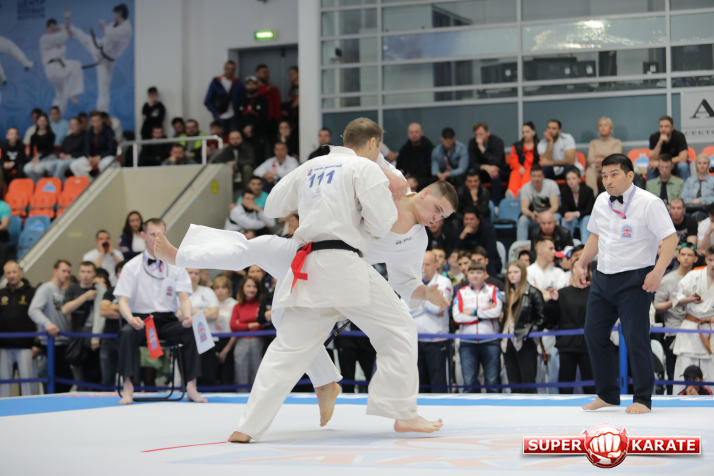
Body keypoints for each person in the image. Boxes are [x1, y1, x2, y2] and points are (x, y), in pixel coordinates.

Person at [162, 118, 451, 441]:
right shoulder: (372, 170)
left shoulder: (312, 166)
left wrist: (315, 196)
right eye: (437, 209)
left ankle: (248, 426)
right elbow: (381, 222)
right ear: (373, 144)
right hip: (341, 263)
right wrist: (380, 187)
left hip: (307, 260)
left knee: (287, 344)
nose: (436, 219)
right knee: (399, 327)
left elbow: (272, 206)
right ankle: (401, 412)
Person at [574, 153, 677, 414]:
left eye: (614, 174)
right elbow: (596, 235)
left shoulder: (649, 203)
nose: (608, 180)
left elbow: (671, 238)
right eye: (604, 175)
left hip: (635, 279)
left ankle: (642, 398)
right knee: (593, 334)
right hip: (603, 277)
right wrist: (581, 262)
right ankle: (607, 394)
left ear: (630, 175)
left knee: (635, 338)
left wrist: (658, 271)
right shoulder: (601, 200)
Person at [113, 218, 205, 405]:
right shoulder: (131, 266)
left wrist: (187, 316)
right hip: (141, 321)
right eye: (153, 234)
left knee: (191, 330)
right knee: (126, 333)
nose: (158, 238)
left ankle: (191, 386)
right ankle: (128, 386)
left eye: (161, 234)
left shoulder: (175, 265)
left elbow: (184, 297)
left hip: (167, 320)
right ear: (142, 236)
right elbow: (123, 301)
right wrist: (130, 319)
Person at [65, 5, 132, 112]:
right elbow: (108, 34)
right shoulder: (115, 24)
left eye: (115, 13)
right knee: (82, 36)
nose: (113, 16)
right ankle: (69, 23)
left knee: (104, 86)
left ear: (119, 13)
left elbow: (108, 33)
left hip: (106, 60)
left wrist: (103, 25)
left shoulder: (126, 29)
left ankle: (102, 113)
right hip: (99, 48)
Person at [670, 245, 714, 395]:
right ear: (706, 259)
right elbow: (676, 297)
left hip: (710, 329)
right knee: (685, 368)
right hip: (691, 327)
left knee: (711, 371)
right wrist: (689, 299)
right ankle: (679, 400)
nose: (713, 264)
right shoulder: (693, 276)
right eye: (710, 260)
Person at [453, 261, 503, 393]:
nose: (475, 275)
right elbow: (457, 317)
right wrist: (483, 314)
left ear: (485, 274)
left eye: (479, 272)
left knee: (492, 382)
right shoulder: (461, 292)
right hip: (467, 342)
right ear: (467, 275)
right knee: (469, 383)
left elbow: (496, 312)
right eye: (472, 272)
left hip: (490, 341)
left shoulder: (493, 289)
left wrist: (472, 312)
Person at [654, 242, 696, 394]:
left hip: (697, 330)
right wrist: (676, 301)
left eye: (689, 255)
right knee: (673, 373)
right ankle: (672, 399)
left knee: (696, 372)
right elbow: (656, 307)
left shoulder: (701, 278)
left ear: (695, 258)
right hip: (674, 331)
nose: (686, 258)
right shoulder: (667, 280)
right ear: (677, 257)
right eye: (683, 254)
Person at [28, 260, 73, 393]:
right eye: (63, 271)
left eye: (68, 272)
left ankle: (56, 399)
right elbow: (33, 310)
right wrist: (48, 324)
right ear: (55, 271)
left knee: (62, 377)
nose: (66, 274)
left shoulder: (64, 291)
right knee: (66, 377)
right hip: (52, 341)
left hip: (64, 340)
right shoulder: (46, 288)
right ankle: (54, 400)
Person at [411, 251, 453, 393]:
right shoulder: (413, 283)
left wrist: (420, 299)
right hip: (416, 341)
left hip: (437, 342)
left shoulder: (444, 282)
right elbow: (405, 309)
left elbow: (436, 308)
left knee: (438, 384)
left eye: (427, 264)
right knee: (419, 386)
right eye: (421, 263)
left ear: (436, 264)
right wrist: (428, 297)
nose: (423, 267)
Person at [501, 260, 545, 393]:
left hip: (525, 340)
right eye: (509, 272)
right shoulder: (507, 293)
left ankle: (531, 407)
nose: (512, 275)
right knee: (513, 381)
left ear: (523, 273)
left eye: (516, 272)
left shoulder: (533, 292)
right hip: (507, 340)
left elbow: (543, 318)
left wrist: (529, 333)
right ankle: (515, 407)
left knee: (528, 381)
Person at [555, 264, 595, 395]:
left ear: (588, 271)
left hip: (588, 344)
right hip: (567, 344)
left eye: (584, 267)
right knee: (565, 385)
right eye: (577, 267)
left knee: (590, 385)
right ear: (572, 270)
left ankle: (594, 405)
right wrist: (553, 301)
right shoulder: (562, 293)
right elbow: (552, 318)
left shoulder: (594, 292)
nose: (580, 271)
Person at [0, 261, 38, 398]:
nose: (12, 275)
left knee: (28, 384)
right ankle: (3, 409)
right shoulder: (1, 293)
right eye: (8, 272)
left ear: (21, 272)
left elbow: (38, 319)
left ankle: (31, 409)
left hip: (26, 346)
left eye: (14, 272)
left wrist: (37, 343)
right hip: (4, 346)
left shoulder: (33, 293)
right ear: (5, 275)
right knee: (3, 385)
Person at [61, 261, 100, 386]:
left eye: (89, 272)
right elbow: (65, 310)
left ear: (94, 274)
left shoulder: (98, 289)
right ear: (79, 273)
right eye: (83, 271)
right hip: (77, 337)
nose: (85, 275)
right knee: (79, 377)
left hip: (94, 337)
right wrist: (84, 297)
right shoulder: (73, 288)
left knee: (95, 374)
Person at [200, 276, 237, 388]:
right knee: (209, 374)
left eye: (223, 287)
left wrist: (226, 350)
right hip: (211, 340)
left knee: (226, 376)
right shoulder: (209, 304)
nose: (220, 291)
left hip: (228, 341)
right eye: (217, 287)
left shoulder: (235, 304)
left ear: (229, 289)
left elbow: (237, 329)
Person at [40, 17, 82, 116]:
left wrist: (62, 25)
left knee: (62, 95)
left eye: (55, 29)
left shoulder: (59, 43)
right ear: (46, 28)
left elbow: (68, 32)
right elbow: (66, 34)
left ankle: (54, 119)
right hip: (52, 67)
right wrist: (61, 26)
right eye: (51, 29)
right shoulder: (45, 39)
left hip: (58, 69)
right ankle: (73, 93)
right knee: (76, 65)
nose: (53, 31)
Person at [230, 276, 263, 392]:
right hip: (241, 342)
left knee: (258, 373)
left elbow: (261, 325)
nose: (251, 289)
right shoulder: (237, 306)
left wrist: (242, 325)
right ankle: (241, 397)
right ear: (242, 288)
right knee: (241, 373)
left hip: (258, 341)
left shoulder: (260, 305)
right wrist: (250, 325)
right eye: (248, 286)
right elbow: (233, 326)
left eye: (254, 286)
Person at [96, 259, 126, 387]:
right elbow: (103, 311)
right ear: (116, 274)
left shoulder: (136, 291)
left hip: (128, 338)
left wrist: (113, 306)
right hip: (109, 338)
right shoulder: (111, 291)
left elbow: (137, 313)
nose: (122, 274)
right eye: (119, 271)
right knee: (107, 378)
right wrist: (126, 311)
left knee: (131, 377)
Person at [453, 207, 501, 277]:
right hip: (468, 260)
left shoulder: (488, 229)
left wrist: (476, 259)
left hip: (487, 259)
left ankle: (491, 283)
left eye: (472, 219)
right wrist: (463, 236)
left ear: (478, 221)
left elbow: (491, 252)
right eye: (466, 219)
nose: (469, 222)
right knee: (458, 262)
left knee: (489, 264)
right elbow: (457, 252)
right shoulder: (460, 231)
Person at [518, 164, 561, 241]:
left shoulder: (552, 185)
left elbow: (555, 206)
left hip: (549, 215)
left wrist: (544, 216)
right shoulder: (525, 188)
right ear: (530, 177)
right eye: (534, 176)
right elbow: (524, 209)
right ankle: (521, 245)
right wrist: (532, 214)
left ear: (543, 176)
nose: (536, 179)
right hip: (535, 217)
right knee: (523, 219)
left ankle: (557, 242)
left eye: (539, 176)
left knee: (556, 217)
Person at [468, 122, 508, 204]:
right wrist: (486, 167)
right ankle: (472, 204)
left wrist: (482, 149)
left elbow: (496, 162)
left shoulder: (497, 142)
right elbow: (472, 163)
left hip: (499, 170)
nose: (478, 137)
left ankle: (496, 205)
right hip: (482, 171)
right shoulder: (472, 143)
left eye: (481, 134)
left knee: (494, 174)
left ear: (488, 133)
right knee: (470, 175)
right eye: (476, 135)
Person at [71, 110, 116, 178]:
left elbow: (112, 149)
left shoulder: (108, 131)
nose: (96, 123)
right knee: (75, 165)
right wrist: (89, 157)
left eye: (98, 120)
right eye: (94, 121)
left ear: (101, 120)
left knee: (105, 164)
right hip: (91, 158)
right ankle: (89, 182)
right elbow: (85, 147)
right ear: (91, 122)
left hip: (105, 157)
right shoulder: (89, 133)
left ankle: (102, 182)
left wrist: (100, 157)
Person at [204, 61, 245, 134]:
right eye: (228, 69)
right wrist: (216, 112)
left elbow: (243, 100)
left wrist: (239, 113)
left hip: (234, 116)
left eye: (232, 69)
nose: (230, 71)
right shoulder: (216, 82)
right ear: (224, 68)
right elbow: (207, 101)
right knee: (219, 137)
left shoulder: (238, 83)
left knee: (234, 136)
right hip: (219, 116)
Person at [236, 76, 269, 163]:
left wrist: (251, 127)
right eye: (249, 84)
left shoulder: (262, 100)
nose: (251, 86)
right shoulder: (241, 101)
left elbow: (264, 116)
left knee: (259, 157)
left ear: (256, 85)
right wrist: (244, 128)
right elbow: (237, 118)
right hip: (243, 134)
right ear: (245, 86)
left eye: (253, 84)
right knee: (244, 156)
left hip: (258, 133)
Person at [586, 117, 622, 195]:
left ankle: (613, 195)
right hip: (596, 168)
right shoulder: (593, 143)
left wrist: (601, 161)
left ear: (611, 128)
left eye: (605, 125)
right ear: (598, 129)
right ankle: (592, 196)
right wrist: (596, 162)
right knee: (589, 171)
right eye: (600, 125)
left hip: (611, 168)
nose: (603, 128)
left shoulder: (616, 142)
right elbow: (590, 158)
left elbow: (615, 157)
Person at [648, 115, 690, 180]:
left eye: (666, 126)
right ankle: (651, 187)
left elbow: (683, 158)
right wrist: (659, 142)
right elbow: (652, 159)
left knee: (683, 166)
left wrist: (664, 162)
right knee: (650, 168)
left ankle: (685, 186)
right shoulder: (654, 137)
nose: (663, 129)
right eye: (661, 126)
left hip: (675, 165)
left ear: (672, 128)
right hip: (661, 167)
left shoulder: (679, 136)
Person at [559, 168, 595, 242]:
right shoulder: (564, 191)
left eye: (573, 178)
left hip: (584, 216)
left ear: (579, 179)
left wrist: (575, 214)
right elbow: (564, 209)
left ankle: (585, 245)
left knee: (587, 219)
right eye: (568, 179)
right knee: (565, 219)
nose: (571, 181)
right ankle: (567, 244)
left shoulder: (588, 190)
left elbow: (590, 210)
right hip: (572, 218)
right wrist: (567, 214)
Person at [397, 123, 434, 191]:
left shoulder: (429, 148)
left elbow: (430, 168)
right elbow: (399, 166)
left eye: (416, 132)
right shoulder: (404, 149)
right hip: (406, 178)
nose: (414, 135)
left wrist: (415, 178)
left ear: (421, 132)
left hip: (424, 179)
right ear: (408, 134)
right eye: (411, 132)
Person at [507, 121, 538, 198]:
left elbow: (542, 159)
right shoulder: (516, 146)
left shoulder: (539, 145)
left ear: (533, 132)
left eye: (527, 132)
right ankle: (512, 193)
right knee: (515, 172)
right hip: (520, 169)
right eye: (523, 132)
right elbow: (513, 160)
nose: (525, 134)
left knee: (529, 172)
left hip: (532, 169)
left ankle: (523, 192)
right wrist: (519, 167)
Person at [23, 113, 57, 183]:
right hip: (38, 156)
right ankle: (37, 183)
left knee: (38, 169)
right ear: (37, 122)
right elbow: (31, 151)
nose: (42, 123)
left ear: (47, 122)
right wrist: (32, 158)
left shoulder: (51, 135)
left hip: (48, 156)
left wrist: (39, 159)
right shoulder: (33, 136)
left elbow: (49, 150)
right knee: (27, 168)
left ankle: (42, 184)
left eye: (44, 121)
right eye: (40, 121)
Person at [682, 153, 714, 221]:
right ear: (696, 165)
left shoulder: (713, 180)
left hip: (708, 211)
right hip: (690, 209)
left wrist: (700, 200)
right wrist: (693, 202)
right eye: (699, 163)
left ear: (708, 165)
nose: (702, 165)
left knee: (698, 214)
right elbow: (683, 197)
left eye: (704, 163)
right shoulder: (689, 180)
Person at [255, 64, 282, 136]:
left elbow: (278, 104)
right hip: (257, 121)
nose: (266, 74)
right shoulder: (253, 88)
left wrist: (278, 118)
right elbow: (253, 98)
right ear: (257, 74)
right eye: (263, 72)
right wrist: (265, 90)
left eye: (267, 72)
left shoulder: (273, 88)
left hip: (272, 120)